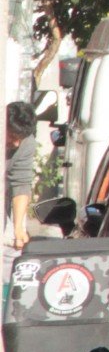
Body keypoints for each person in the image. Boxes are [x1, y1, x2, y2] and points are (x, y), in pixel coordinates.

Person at [6, 101, 35, 253]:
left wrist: (18, 229)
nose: (17, 144)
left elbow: (21, 183)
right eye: (12, 136)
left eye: (21, 138)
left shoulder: (27, 143)